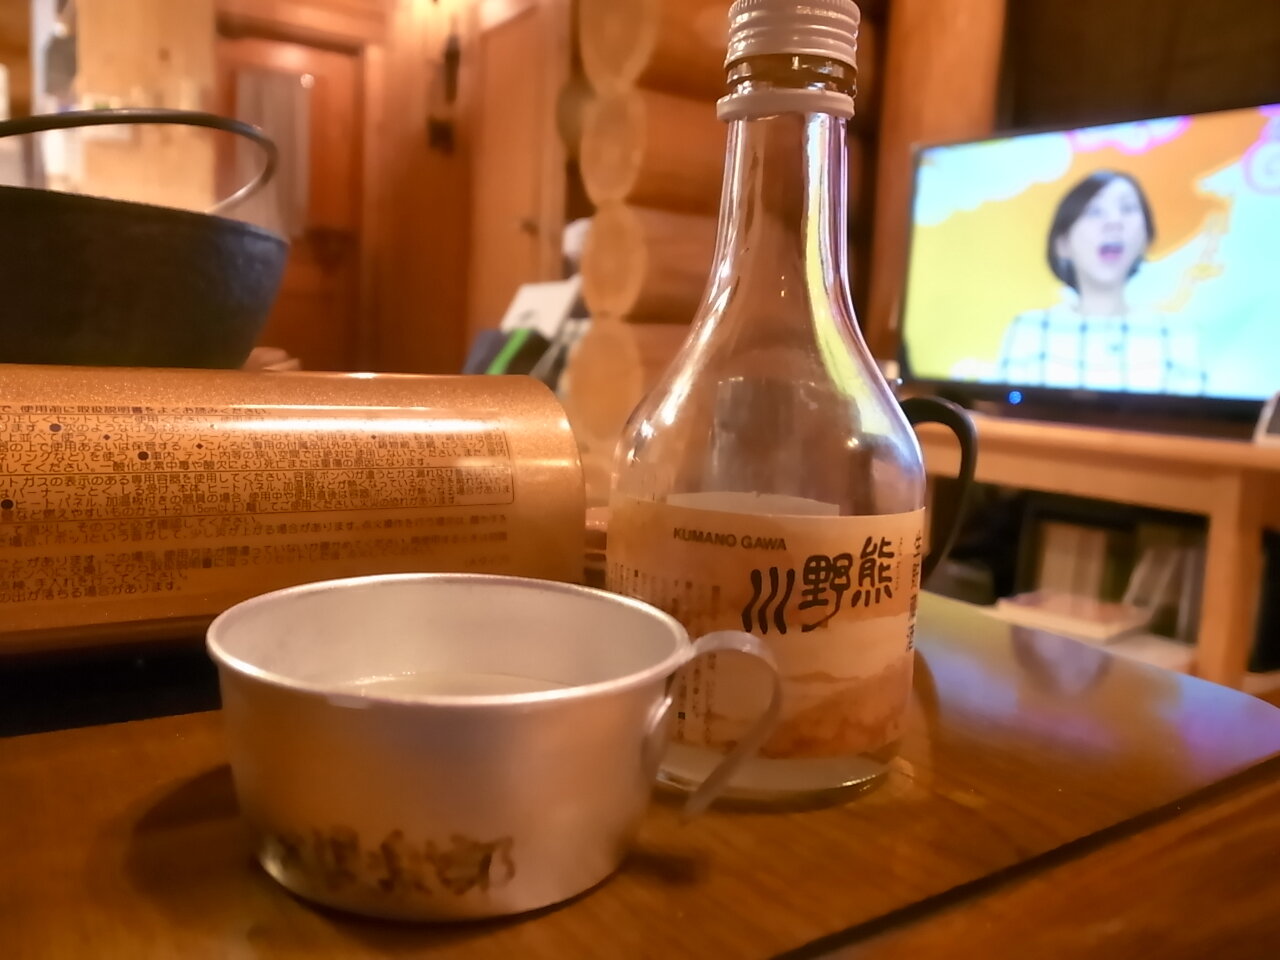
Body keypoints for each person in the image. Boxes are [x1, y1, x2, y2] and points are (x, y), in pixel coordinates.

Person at [994, 170, 1205, 394]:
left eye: (1127, 209)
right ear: (1062, 244)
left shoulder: (1174, 334)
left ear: (1145, 238)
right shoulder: (1030, 329)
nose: (1114, 222)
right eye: (1094, 211)